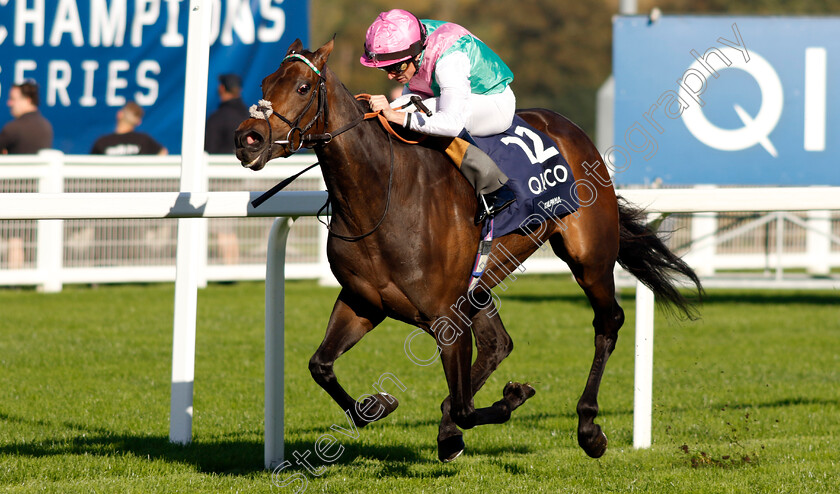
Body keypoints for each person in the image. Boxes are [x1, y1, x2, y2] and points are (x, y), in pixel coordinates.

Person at [361, 9, 517, 222]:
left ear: (415, 54)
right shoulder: (409, 38)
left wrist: (395, 115)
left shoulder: (450, 61)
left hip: (494, 104)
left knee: (414, 112)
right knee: (394, 112)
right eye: (385, 69)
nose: (390, 76)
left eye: (397, 67)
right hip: (448, 94)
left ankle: (495, 189)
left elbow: (452, 124)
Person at [90, 101, 167, 155]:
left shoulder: (143, 140)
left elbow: (162, 153)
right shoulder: (102, 142)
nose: (131, 115)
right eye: (133, 112)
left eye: (136, 114)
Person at [0, 80, 53, 154]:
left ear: (28, 100)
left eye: (13, 99)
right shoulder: (46, 126)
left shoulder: (12, 128)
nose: (9, 103)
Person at [205, 73, 249, 154]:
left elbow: (209, 150)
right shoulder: (250, 117)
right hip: (247, 164)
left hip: (220, 165)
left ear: (221, 88)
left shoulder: (216, 118)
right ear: (240, 90)